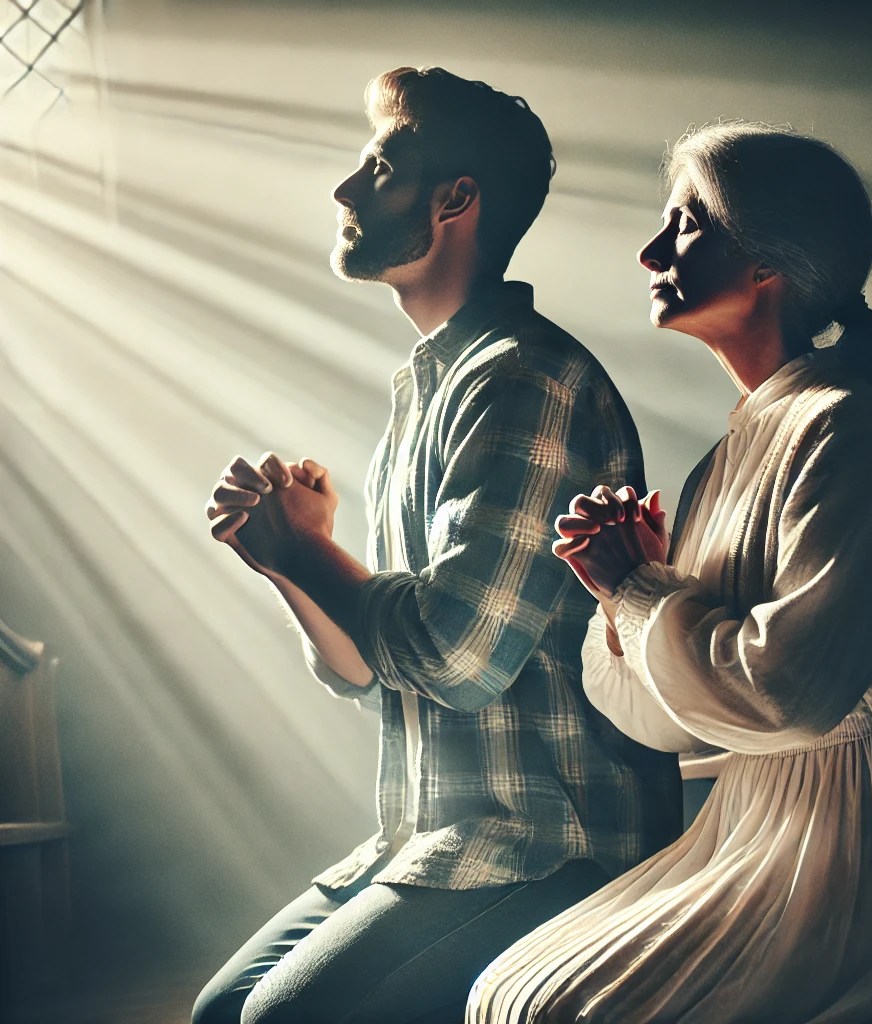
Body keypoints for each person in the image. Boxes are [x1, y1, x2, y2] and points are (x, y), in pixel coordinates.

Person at [467, 122, 872, 1023]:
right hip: (758, 818)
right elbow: (665, 724)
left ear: (769, 259)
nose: (651, 250)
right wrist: (621, 596)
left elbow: (786, 695)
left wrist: (644, 592)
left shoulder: (845, 425)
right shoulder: (722, 464)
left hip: (870, 837)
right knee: (507, 993)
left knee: (553, 1011)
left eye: (687, 224)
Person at [192, 67, 682, 1024]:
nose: (346, 190)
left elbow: (455, 656)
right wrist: (288, 561)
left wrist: (308, 554)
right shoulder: (425, 396)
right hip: (432, 838)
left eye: (380, 166)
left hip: (550, 846)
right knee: (224, 1011)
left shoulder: (524, 379)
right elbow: (369, 673)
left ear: (457, 198)